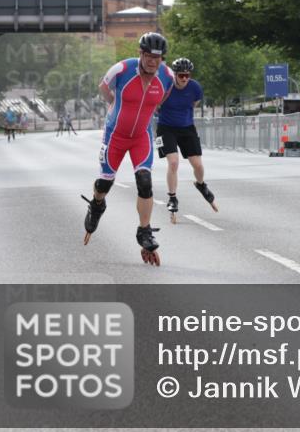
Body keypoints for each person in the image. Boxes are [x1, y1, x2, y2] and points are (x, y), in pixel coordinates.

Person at [81, 32, 175, 265]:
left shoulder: (167, 77)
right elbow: (103, 89)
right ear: (140, 54)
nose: (153, 61)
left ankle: (144, 231)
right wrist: (115, 104)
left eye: (158, 57)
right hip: (116, 135)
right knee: (105, 183)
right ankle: (97, 204)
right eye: (149, 56)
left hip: (141, 136)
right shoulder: (122, 70)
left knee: (145, 182)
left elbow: (162, 99)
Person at [156, 57, 216, 222]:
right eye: (181, 75)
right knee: (173, 162)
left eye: (187, 76)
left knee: (197, 164)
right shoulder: (165, 86)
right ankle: (172, 197)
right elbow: (156, 104)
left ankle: (201, 184)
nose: (184, 79)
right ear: (174, 74)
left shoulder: (195, 88)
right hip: (166, 128)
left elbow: (193, 104)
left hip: (187, 127)